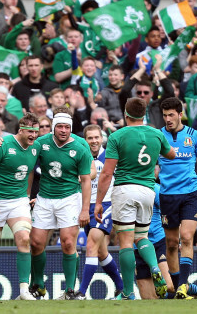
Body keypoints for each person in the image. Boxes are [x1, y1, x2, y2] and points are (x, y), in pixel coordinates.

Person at [94, 97, 175, 300]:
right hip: (148, 190)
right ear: (144, 114)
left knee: (126, 243)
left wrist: (98, 202)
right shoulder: (156, 134)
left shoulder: (117, 136)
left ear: (126, 115)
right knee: (142, 237)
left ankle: (128, 292)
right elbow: (172, 154)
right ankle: (155, 267)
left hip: (125, 190)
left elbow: (106, 173)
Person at [29, 106, 93, 300]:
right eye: (60, 127)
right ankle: (38, 285)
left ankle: (70, 289)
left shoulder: (80, 147)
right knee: (36, 242)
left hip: (69, 198)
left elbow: (87, 179)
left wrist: (85, 209)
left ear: (71, 128)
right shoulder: (41, 143)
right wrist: (26, 196)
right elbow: (30, 168)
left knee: (67, 242)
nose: (63, 130)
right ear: (53, 127)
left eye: (67, 127)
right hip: (45, 197)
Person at [0, 113, 40, 300]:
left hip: (18, 201)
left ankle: (23, 291)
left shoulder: (36, 147)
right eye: (30, 131)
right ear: (20, 130)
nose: (34, 136)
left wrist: (28, 194)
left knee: (24, 239)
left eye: (36, 132)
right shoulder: (2, 145)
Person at [158, 97, 197, 299]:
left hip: (191, 193)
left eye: (171, 115)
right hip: (167, 195)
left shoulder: (194, 135)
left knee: (186, 237)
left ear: (180, 114)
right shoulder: (158, 136)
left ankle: (183, 285)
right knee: (172, 243)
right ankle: (178, 288)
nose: (167, 119)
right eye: (165, 115)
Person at [77, 124, 124, 299]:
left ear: (102, 138)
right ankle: (122, 287)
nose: (94, 141)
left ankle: (81, 292)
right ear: (85, 140)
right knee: (101, 252)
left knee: (90, 245)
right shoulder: (81, 157)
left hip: (105, 205)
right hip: (85, 207)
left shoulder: (110, 157)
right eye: (90, 138)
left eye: (97, 137)